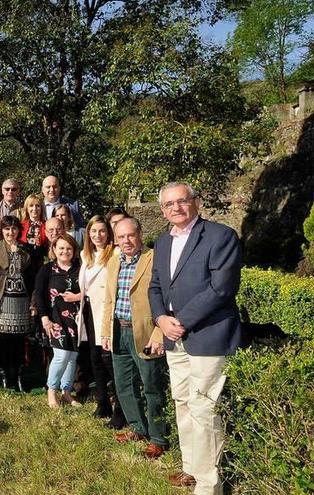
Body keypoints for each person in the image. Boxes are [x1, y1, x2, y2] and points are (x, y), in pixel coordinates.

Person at [149, 182, 243, 494]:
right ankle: (191, 469)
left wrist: (181, 321)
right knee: (183, 403)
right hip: (174, 337)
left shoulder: (221, 236)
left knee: (204, 409)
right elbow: (156, 287)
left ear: (197, 202)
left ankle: (208, 484)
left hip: (208, 336)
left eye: (181, 201)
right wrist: (161, 319)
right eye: (168, 204)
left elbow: (221, 288)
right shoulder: (162, 242)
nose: (175, 208)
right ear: (162, 210)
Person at [101, 217, 169, 459]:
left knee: (152, 386)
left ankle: (158, 438)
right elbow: (110, 299)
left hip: (146, 332)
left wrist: (159, 332)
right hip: (119, 331)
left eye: (130, 235)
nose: (126, 241)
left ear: (140, 235)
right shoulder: (113, 260)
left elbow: (166, 298)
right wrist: (106, 332)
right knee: (124, 385)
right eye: (121, 237)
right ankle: (138, 428)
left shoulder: (154, 259)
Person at [75, 216, 125, 428]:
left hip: (106, 312)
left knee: (109, 361)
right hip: (89, 312)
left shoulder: (115, 254)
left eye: (102, 231)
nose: (98, 235)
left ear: (109, 233)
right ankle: (102, 402)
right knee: (95, 359)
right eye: (93, 231)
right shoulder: (86, 255)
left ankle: (120, 409)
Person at [0, 216, 37, 391]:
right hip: (2, 300)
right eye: (6, 229)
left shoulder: (27, 249)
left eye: (13, 229)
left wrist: (34, 303)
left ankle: (19, 375)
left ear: (18, 231)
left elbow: (33, 278)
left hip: (22, 300)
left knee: (20, 340)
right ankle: (4, 375)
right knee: (2, 340)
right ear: (1, 231)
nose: (10, 232)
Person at [34, 234, 83, 408]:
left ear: (74, 250)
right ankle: (51, 391)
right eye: (61, 248)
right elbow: (39, 295)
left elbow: (90, 288)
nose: (65, 251)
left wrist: (78, 296)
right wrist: (44, 318)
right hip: (55, 319)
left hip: (77, 319)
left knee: (72, 356)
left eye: (69, 248)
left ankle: (67, 392)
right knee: (61, 355)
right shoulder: (47, 269)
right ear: (54, 249)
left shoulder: (80, 267)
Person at [19, 193, 47, 259]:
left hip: (41, 261)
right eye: (31, 205)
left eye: (37, 206)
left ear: (41, 208)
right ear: (27, 208)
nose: (34, 209)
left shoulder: (47, 225)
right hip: (24, 261)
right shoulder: (20, 225)